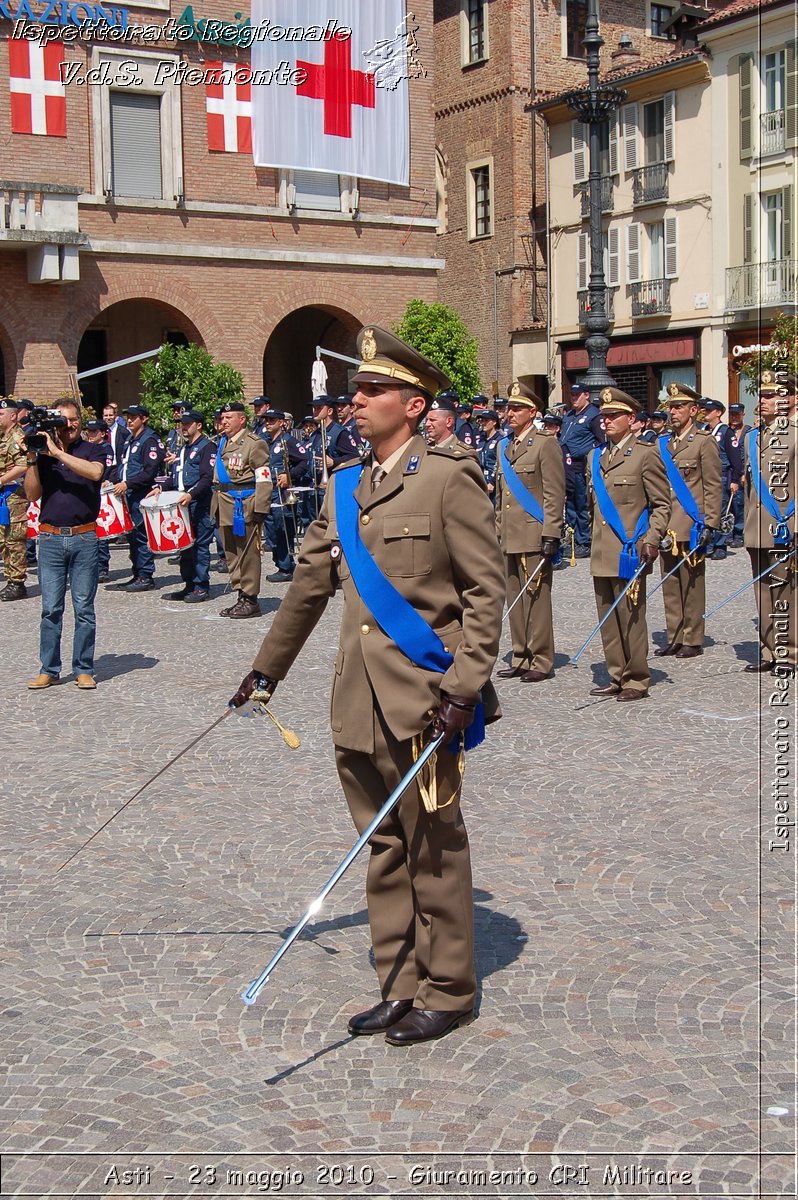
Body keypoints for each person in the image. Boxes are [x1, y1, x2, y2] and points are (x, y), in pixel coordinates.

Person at [230, 326, 505, 1045]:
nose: (357, 401)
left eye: (373, 390)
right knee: (381, 843)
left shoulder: (449, 476)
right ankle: (400, 982)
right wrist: (267, 668)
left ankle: (448, 987)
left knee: (433, 847)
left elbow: (485, 593)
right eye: (356, 390)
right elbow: (308, 589)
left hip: (424, 697)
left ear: (413, 405)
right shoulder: (345, 484)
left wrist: (466, 688)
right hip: (356, 697)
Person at [586, 387, 670, 700]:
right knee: (608, 615)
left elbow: (662, 504)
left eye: (613, 415)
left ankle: (636, 677)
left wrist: (652, 539)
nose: (605, 421)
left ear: (631, 418)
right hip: (601, 550)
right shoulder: (596, 456)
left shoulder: (645, 455)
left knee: (631, 615)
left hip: (630, 550)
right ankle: (616, 673)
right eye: (603, 416)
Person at [23, 398, 105, 690]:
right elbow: (32, 494)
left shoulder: (94, 448)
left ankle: (83, 668)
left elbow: (95, 473)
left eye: (73, 420)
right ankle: (49, 668)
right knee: (50, 609)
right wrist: (33, 459)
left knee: (84, 608)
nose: (68, 426)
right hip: (50, 538)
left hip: (84, 536)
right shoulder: (43, 454)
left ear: (80, 421)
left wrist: (57, 452)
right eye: (63, 420)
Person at [494, 382, 565, 683]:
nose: (510, 413)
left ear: (533, 412)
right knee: (514, 597)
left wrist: (552, 532)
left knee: (536, 598)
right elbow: (501, 497)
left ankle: (541, 658)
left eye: (517, 408)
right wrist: (497, 531)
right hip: (509, 535)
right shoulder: (505, 446)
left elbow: (554, 492)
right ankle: (521, 654)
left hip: (534, 533)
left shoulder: (545, 444)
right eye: (509, 408)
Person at [653, 382, 722, 659]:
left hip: (691, 522)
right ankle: (675, 634)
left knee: (691, 583)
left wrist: (710, 523)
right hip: (667, 523)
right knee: (670, 582)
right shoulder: (663, 444)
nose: (673, 411)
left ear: (693, 410)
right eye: (671, 406)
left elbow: (713, 486)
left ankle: (692, 637)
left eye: (679, 406)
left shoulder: (704, 442)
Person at [742, 369, 797, 674]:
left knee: (785, 592)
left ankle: (788, 653)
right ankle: (768, 650)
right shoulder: (754, 437)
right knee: (762, 591)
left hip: (783, 527)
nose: (762, 400)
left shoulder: (795, 434)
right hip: (756, 525)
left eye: (771, 395)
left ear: (787, 398)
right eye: (761, 395)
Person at [210, 400, 272, 617]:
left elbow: (264, 478)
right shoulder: (223, 443)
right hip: (224, 504)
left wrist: (261, 507)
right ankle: (240, 594)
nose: (224, 421)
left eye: (229, 418)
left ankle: (250, 598)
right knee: (232, 554)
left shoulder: (254, 444)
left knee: (247, 554)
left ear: (242, 419)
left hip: (244, 506)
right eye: (223, 418)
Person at [155, 410, 216, 603]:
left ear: (198, 425)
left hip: (199, 503)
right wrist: (160, 487)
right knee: (185, 547)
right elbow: (176, 477)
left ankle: (201, 586)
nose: (183, 427)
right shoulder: (183, 448)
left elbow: (207, 478)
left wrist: (191, 494)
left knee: (199, 546)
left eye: (188, 423)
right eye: (182, 423)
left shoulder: (208, 447)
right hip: (182, 504)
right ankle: (189, 583)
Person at [111, 405, 166, 592]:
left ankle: (145, 575)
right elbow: (124, 466)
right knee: (132, 536)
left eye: (134, 417)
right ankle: (137, 573)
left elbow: (150, 471)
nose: (130, 420)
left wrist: (128, 483)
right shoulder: (129, 439)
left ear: (144, 419)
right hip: (128, 494)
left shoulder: (149, 440)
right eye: (128, 417)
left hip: (141, 493)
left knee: (142, 536)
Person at [258, 407, 310, 582]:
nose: (268, 423)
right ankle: (281, 564)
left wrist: (290, 475)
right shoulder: (264, 441)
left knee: (282, 529)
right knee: (271, 531)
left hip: (282, 492)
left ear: (281, 422)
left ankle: (286, 566)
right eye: (266, 420)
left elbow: (304, 461)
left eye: (272, 420)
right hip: (267, 490)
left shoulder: (288, 441)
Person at [560, 381, 605, 560]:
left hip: (581, 466)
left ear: (587, 395)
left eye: (578, 395)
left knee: (582, 505)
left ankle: (584, 541)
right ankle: (572, 539)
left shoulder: (593, 415)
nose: (574, 398)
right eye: (572, 395)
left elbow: (601, 441)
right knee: (570, 504)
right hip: (567, 465)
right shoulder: (569, 415)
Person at [702, 398, 743, 560]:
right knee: (707, 511)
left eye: (709, 411)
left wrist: (735, 479)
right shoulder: (703, 430)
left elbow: (735, 458)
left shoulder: (726, 431)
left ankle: (720, 545)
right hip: (705, 476)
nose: (705, 413)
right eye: (704, 410)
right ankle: (708, 543)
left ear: (718, 413)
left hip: (722, 475)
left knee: (721, 511)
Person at [0, 398, 30, 601]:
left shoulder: (17, 437)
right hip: (4, 496)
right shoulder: (4, 437)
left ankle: (17, 583)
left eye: (1, 414)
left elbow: (23, 465)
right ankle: (11, 577)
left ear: (12, 416)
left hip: (14, 496)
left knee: (14, 540)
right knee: (4, 540)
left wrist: (1, 480)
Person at [82, 418, 114, 581]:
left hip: (102, 491)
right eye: (89, 431)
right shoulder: (90, 447)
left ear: (102, 433)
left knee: (101, 532)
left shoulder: (106, 449)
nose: (90, 434)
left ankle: (102, 567)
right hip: (90, 492)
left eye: (94, 431)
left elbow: (107, 470)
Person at [728, 402, 751, 547]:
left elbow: (749, 454)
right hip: (727, 471)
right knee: (727, 505)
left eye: (737, 414)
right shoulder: (725, 431)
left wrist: (744, 473)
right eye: (732, 414)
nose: (735, 417)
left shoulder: (748, 431)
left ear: (743, 414)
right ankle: (728, 532)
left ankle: (739, 532)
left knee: (739, 503)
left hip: (741, 471)